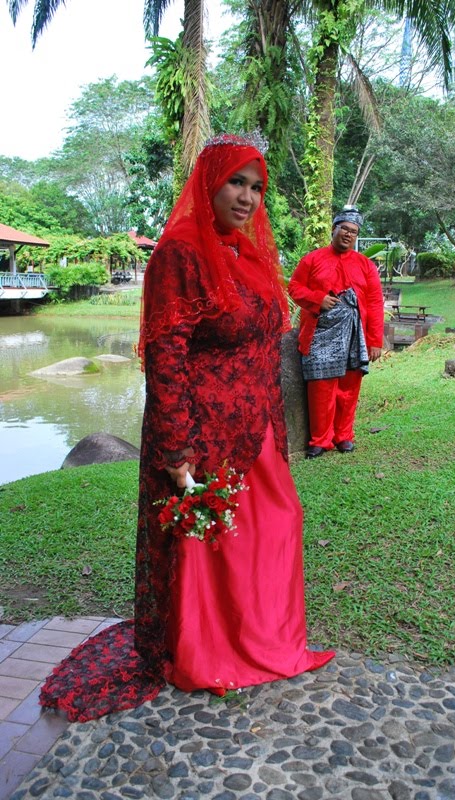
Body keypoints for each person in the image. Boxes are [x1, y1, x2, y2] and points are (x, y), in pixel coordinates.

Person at [39, 133, 334, 720]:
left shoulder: (245, 253)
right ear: (208, 183)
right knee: (213, 544)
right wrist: (178, 449)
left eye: (256, 187)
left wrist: (274, 423)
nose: (247, 197)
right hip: (202, 432)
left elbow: (263, 343)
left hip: (255, 427)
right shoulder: (179, 252)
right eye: (235, 182)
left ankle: (263, 641)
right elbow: (165, 354)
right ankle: (209, 655)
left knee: (273, 527)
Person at [288, 208, 384, 459]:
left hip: (354, 334)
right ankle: (320, 439)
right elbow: (294, 287)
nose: (349, 235)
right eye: (345, 229)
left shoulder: (366, 265)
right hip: (319, 333)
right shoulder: (312, 260)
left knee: (349, 386)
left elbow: (375, 302)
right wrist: (317, 299)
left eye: (354, 232)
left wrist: (374, 341)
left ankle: (344, 435)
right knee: (320, 386)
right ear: (334, 229)